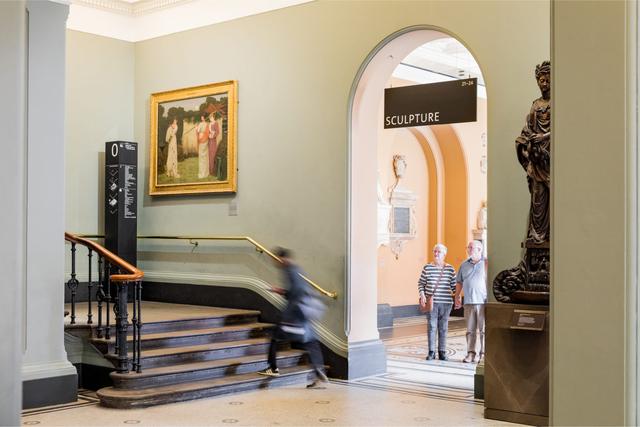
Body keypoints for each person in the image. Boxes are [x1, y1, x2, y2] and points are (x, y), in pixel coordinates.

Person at [258, 247, 329, 388]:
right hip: (304, 314)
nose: (276, 262)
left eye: (276, 259)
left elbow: (296, 292)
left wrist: (280, 291)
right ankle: (318, 371)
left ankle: (273, 368)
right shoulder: (297, 269)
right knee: (311, 342)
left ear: (281, 258)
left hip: (294, 315)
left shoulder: (290, 270)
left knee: (274, 336)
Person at [516, 60, 550, 244]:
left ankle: (552, 236)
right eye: (541, 80)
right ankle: (537, 236)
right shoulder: (535, 105)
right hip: (537, 162)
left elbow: (564, 128)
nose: (544, 83)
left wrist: (544, 137)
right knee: (538, 200)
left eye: (547, 80)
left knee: (554, 200)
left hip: (551, 161)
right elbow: (527, 130)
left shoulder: (558, 103)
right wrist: (527, 144)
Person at [418, 243, 457, 361]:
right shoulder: (427, 267)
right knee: (432, 326)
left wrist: (458, 297)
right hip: (432, 303)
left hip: (446, 303)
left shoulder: (450, 269)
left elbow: (454, 287)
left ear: (444, 254)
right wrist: (422, 295)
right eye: (434, 251)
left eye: (439, 252)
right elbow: (421, 283)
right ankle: (431, 352)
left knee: (443, 327)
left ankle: (442, 352)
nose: (436, 253)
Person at [454, 240, 488, 363]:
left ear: (480, 249)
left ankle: (483, 354)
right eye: (468, 247)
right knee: (470, 330)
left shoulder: (486, 263)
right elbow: (459, 281)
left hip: (483, 302)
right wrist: (457, 295)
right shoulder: (464, 264)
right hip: (468, 302)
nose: (469, 250)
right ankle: (470, 353)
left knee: (483, 330)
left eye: (471, 247)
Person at [195, 114, 210, 179]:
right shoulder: (201, 124)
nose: (202, 118)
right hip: (202, 141)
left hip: (204, 141)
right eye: (201, 117)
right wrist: (196, 128)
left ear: (204, 118)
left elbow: (206, 133)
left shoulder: (206, 124)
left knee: (204, 156)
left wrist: (203, 137)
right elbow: (198, 131)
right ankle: (203, 172)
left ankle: (204, 173)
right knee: (202, 157)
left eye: (202, 117)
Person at [207, 112, 220, 177]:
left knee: (213, 155)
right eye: (210, 118)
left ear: (213, 117)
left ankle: (213, 171)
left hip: (213, 141)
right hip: (209, 141)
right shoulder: (209, 124)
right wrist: (209, 135)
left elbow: (217, 132)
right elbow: (207, 132)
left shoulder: (216, 123)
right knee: (209, 155)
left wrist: (213, 135)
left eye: (211, 117)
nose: (210, 119)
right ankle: (210, 171)